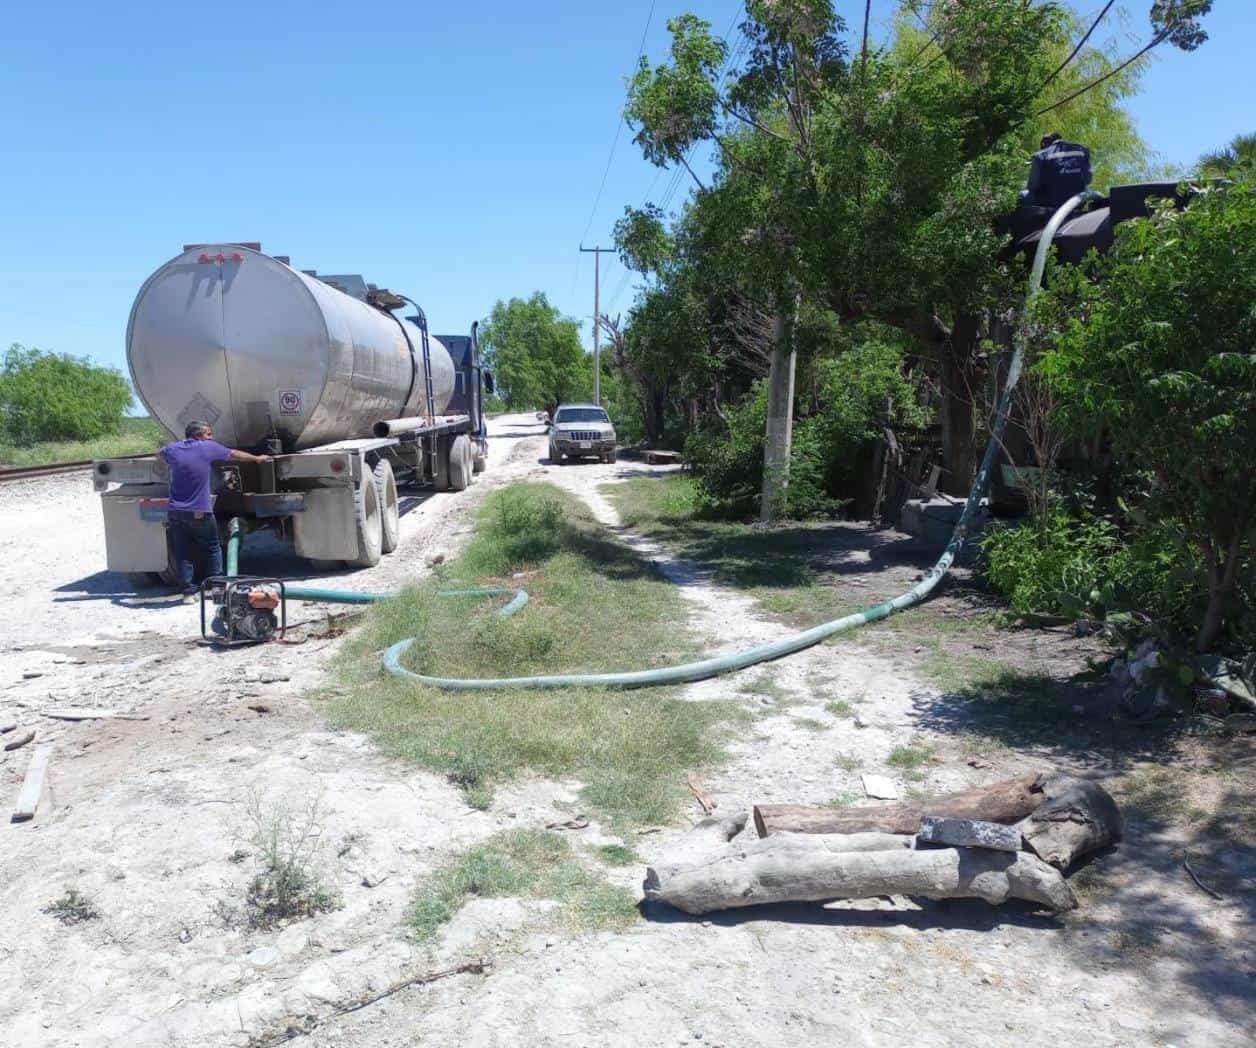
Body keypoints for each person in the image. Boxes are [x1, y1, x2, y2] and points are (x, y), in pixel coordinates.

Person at [159, 420, 271, 601]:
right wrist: (257, 459)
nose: (212, 437)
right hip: (199, 510)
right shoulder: (207, 448)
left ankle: (188, 593)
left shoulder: (173, 449)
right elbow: (234, 454)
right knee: (212, 547)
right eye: (209, 434)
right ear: (199, 436)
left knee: (183, 552)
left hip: (175, 512)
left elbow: (160, 453)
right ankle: (218, 589)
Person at [1023, 131, 1093, 210]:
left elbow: (1032, 186)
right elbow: (1088, 179)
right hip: (1078, 201)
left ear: (1044, 144)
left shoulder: (1040, 155)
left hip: (1051, 202)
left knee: (1023, 195)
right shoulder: (1081, 150)